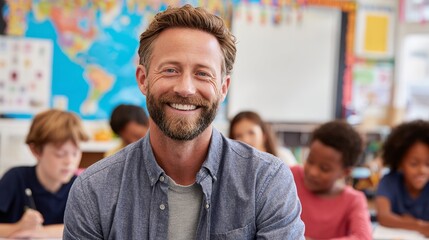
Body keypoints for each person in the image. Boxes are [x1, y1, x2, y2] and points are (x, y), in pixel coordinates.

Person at [64, 4, 304, 239]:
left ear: (223, 88)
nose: (186, 89)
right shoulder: (94, 190)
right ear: (143, 79)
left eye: (202, 73)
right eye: (170, 70)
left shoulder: (265, 181)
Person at [0, 109, 89, 238]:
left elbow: (89, 229)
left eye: (75, 153)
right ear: (35, 150)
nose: (70, 161)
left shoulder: (80, 187)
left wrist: (39, 233)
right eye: (60, 154)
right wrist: (18, 227)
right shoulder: (15, 178)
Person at [291, 120, 372, 239]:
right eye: (310, 160)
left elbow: (363, 237)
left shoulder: (353, 200)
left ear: (345, 172)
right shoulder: (289, 177)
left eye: (324, 169)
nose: (313, 172)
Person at [375, 120, 429, 237]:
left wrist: (403, 221)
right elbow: (384, 217)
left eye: (428, 164)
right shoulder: (389, 181)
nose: (422, 170)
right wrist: (420, 225)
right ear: (400, 162)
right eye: (414, 164)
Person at [229, 110, 297, 166]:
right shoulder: (232, 165)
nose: (246, 140)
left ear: (264, 135)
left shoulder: (283, 157)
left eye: (251, 133)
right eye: (238, 136)